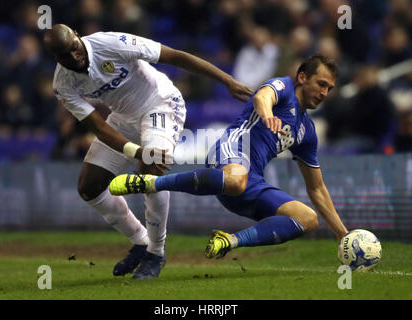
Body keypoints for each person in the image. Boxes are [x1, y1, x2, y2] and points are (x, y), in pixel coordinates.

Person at [44, 24, 252, 279]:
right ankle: (141, 241)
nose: (74, 57)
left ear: (77, 35)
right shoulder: (62, 83)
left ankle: (156, 252)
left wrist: (227, 81)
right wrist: (134, 150)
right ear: (56, 58)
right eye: (65, 56)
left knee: (151, 170)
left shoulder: (111, 43)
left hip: (160, 104)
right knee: (89, 187)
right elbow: (97, 126)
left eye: (74, 48)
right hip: (122, 119)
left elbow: (175, 56)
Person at [109, 55, 349, 259]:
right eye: (321, 84)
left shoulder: (306, 130)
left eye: (329, 88)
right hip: (233, 148)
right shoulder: (284, 87)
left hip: (251, 180)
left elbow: (316, 189)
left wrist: (343, 235)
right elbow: (261, 97)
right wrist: (266, 115)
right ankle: (149, 182)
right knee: (236, 180)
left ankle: (230, 241)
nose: (325, 92)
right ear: (302, 78)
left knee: (307, 218)